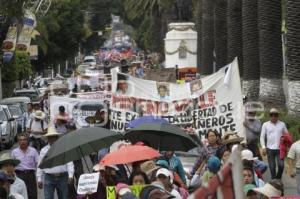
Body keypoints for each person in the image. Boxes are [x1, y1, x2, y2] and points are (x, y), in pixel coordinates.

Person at [37, 127, 74, 199]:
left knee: (64, 197)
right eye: (50, 137)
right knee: (48, 197)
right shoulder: (44, 150)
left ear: (57, 138)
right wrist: (39, 178)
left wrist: (71, 175)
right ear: (47, 138)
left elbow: (69, 162)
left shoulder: (64, 148)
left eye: (54, 137)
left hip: (62, 177)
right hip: (48, 177)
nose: (52, 139)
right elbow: (40, 165)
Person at [260, 108, 288, 179]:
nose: (273, 116)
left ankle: (278, 179)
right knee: (272, 167)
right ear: (269, 116)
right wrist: (263, 147)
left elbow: (287, 135)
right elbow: (262, 137)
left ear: (278, 115)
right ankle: (274, 181)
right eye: (271, 115)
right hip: (270, 149)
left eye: (275, 115)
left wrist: (287, 146)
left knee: (281, 165)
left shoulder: (282, 124)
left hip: (280, 149)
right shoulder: (265, 124)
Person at [11, 134, 39, 199]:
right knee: (20, 195)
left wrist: (39, 176)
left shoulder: (33, 151)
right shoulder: (14, 152)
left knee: (32, 195)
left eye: (24, 140)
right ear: (18, 142)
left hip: (30, 175)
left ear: (27, 141)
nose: (22, 141)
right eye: (20, 140)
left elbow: (38, 163)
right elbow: (12, 165)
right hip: (19, 175)